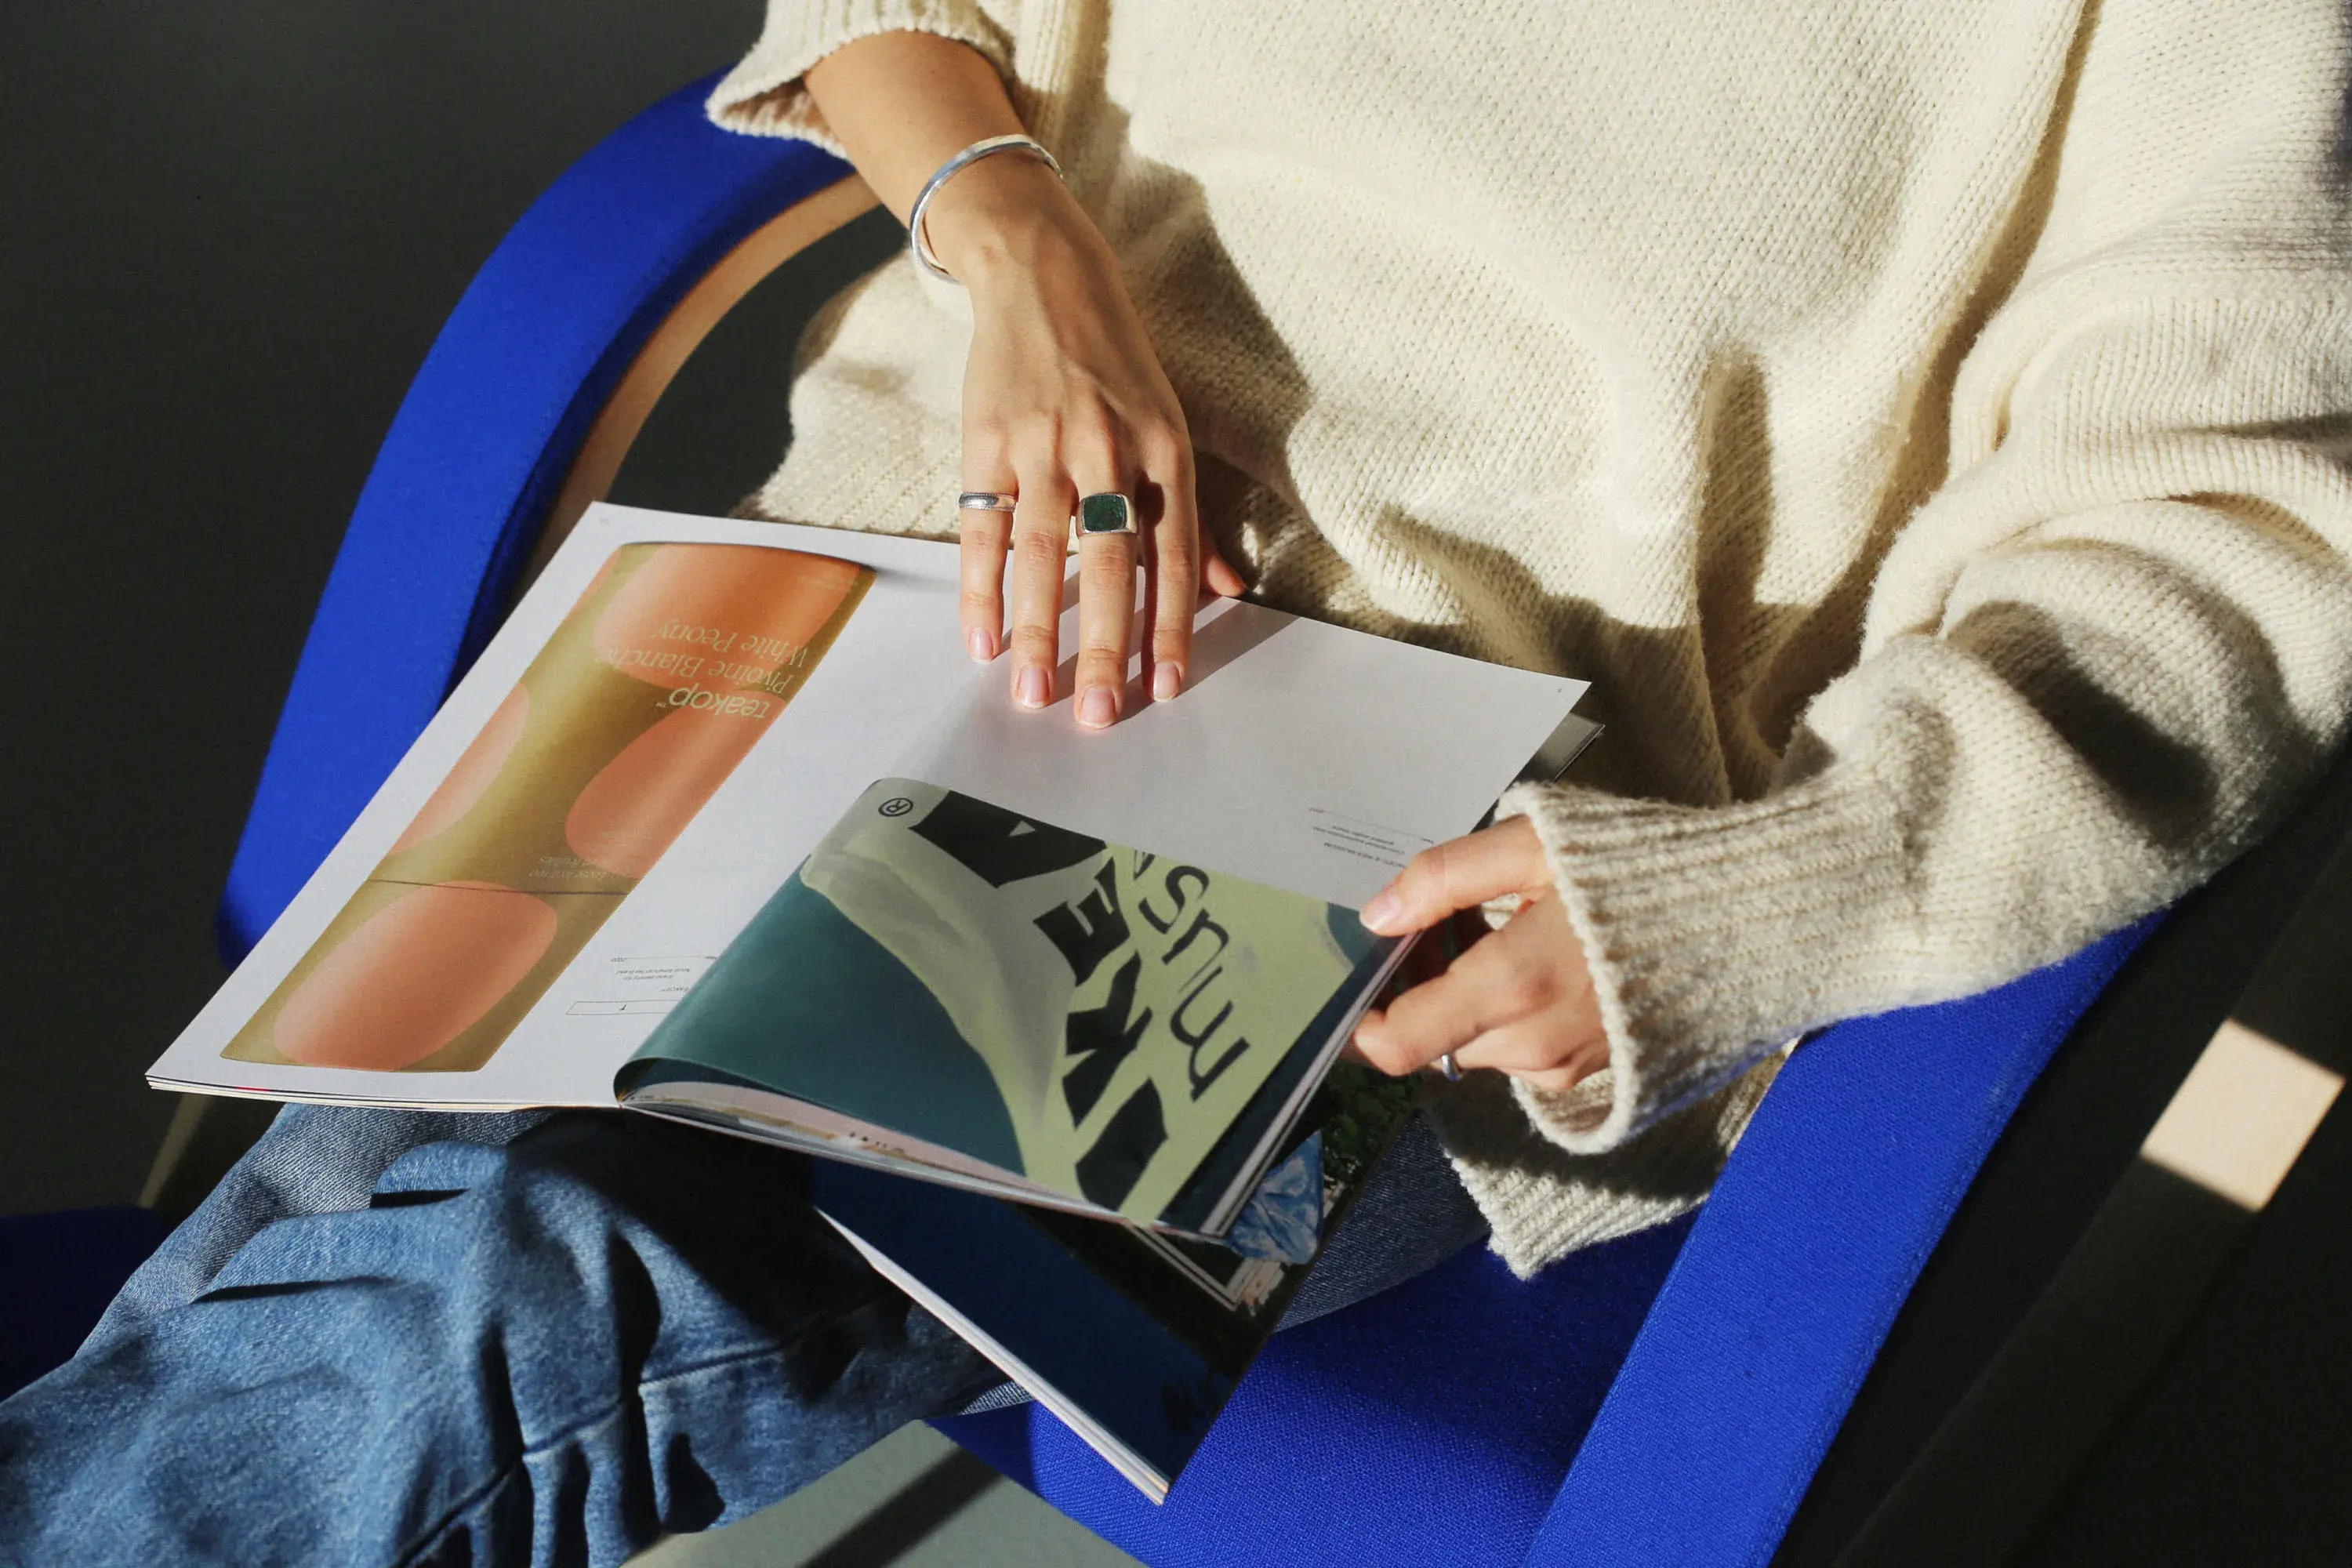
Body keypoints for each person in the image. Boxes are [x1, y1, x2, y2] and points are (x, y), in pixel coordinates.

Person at [6, 1, 2350, 1562]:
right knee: (368, 1210)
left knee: (514, 1281)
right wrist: (1005, 220)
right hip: (869, 604)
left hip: (1399, 835)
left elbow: (2225, 553)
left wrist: (1756, 896)